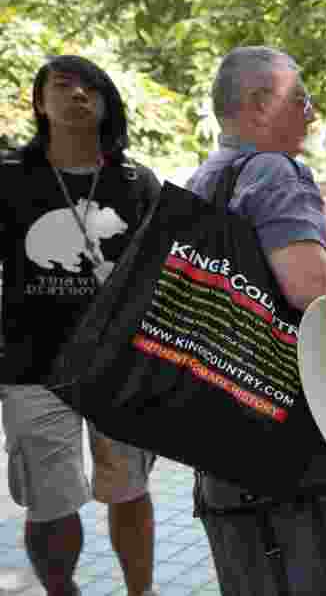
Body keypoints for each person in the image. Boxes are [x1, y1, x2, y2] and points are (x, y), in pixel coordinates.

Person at [185, 46, 326, 595]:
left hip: (224, 412)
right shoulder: (273, 171)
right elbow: (312, 291)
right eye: (301, 98)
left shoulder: (203, 178)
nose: (311, 111)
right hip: (287, 420)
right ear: (259, 104)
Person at [0, 55, 161, 596]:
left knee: (129, 489)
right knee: (51, 500)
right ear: (40, 102)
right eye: (63, 86)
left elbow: (164, 271)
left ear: (107, 102)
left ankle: (142, 592)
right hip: (33, 368)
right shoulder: (10, 179)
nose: (77, 96)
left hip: (119, 366)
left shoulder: (137, 183)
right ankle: (60, 591)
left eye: (90, 87)